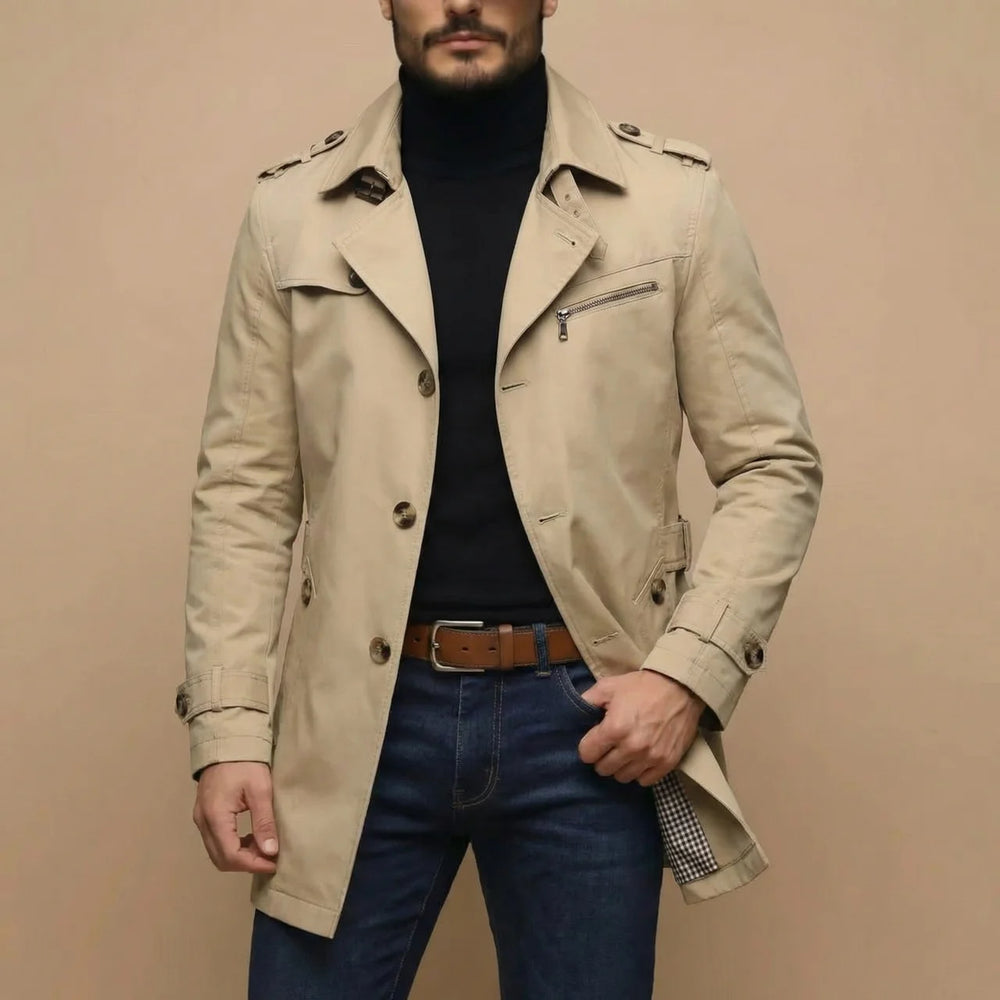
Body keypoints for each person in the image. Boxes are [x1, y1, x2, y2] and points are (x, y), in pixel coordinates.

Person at [174, 1, 823, 996]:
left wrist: (685, 677)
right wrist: (226, 730)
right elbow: (245, 496)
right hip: (355, 717)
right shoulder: (292, 215)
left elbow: (772, 462)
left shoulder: (670, 203)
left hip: (586, 722)